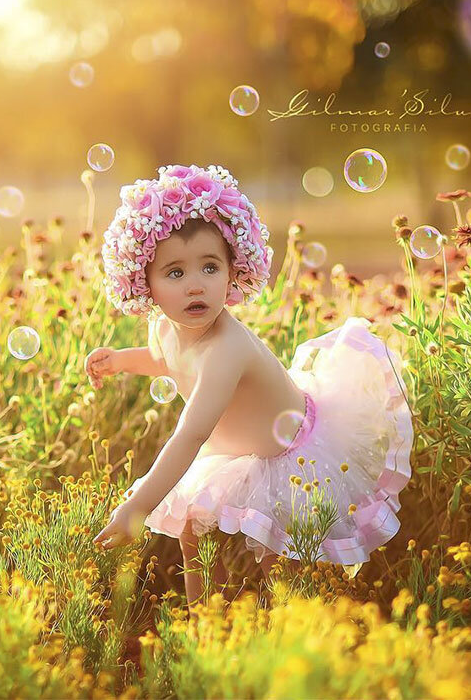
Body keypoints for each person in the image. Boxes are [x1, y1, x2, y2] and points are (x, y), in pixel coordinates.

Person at [88, 163, 413, 609]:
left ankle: (296, 630)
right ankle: (207, 621)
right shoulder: (165, 327)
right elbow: (167, 361)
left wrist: (137, 508)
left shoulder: (227, 350)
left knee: (280, 557)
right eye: (175, 273)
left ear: (233, 269)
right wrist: (122, 361)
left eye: (209, 266)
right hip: (237, 451)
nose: (196, 284)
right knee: (192, 530)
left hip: (293, 454)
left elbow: (191, 435)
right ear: (144, 282)